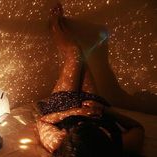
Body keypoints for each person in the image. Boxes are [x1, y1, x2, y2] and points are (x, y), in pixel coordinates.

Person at [36, 3, 144, 157]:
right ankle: (67, 35)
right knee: (82, 59)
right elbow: (138, 128)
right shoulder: (119, 145)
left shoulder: (59, 144)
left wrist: (75, 111)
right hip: (95, 104)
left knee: (75, 52)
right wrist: (106, 111)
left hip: (62, 105)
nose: (82, 121)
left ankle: (55, 24)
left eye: (79, 125)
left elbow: (43, 121)